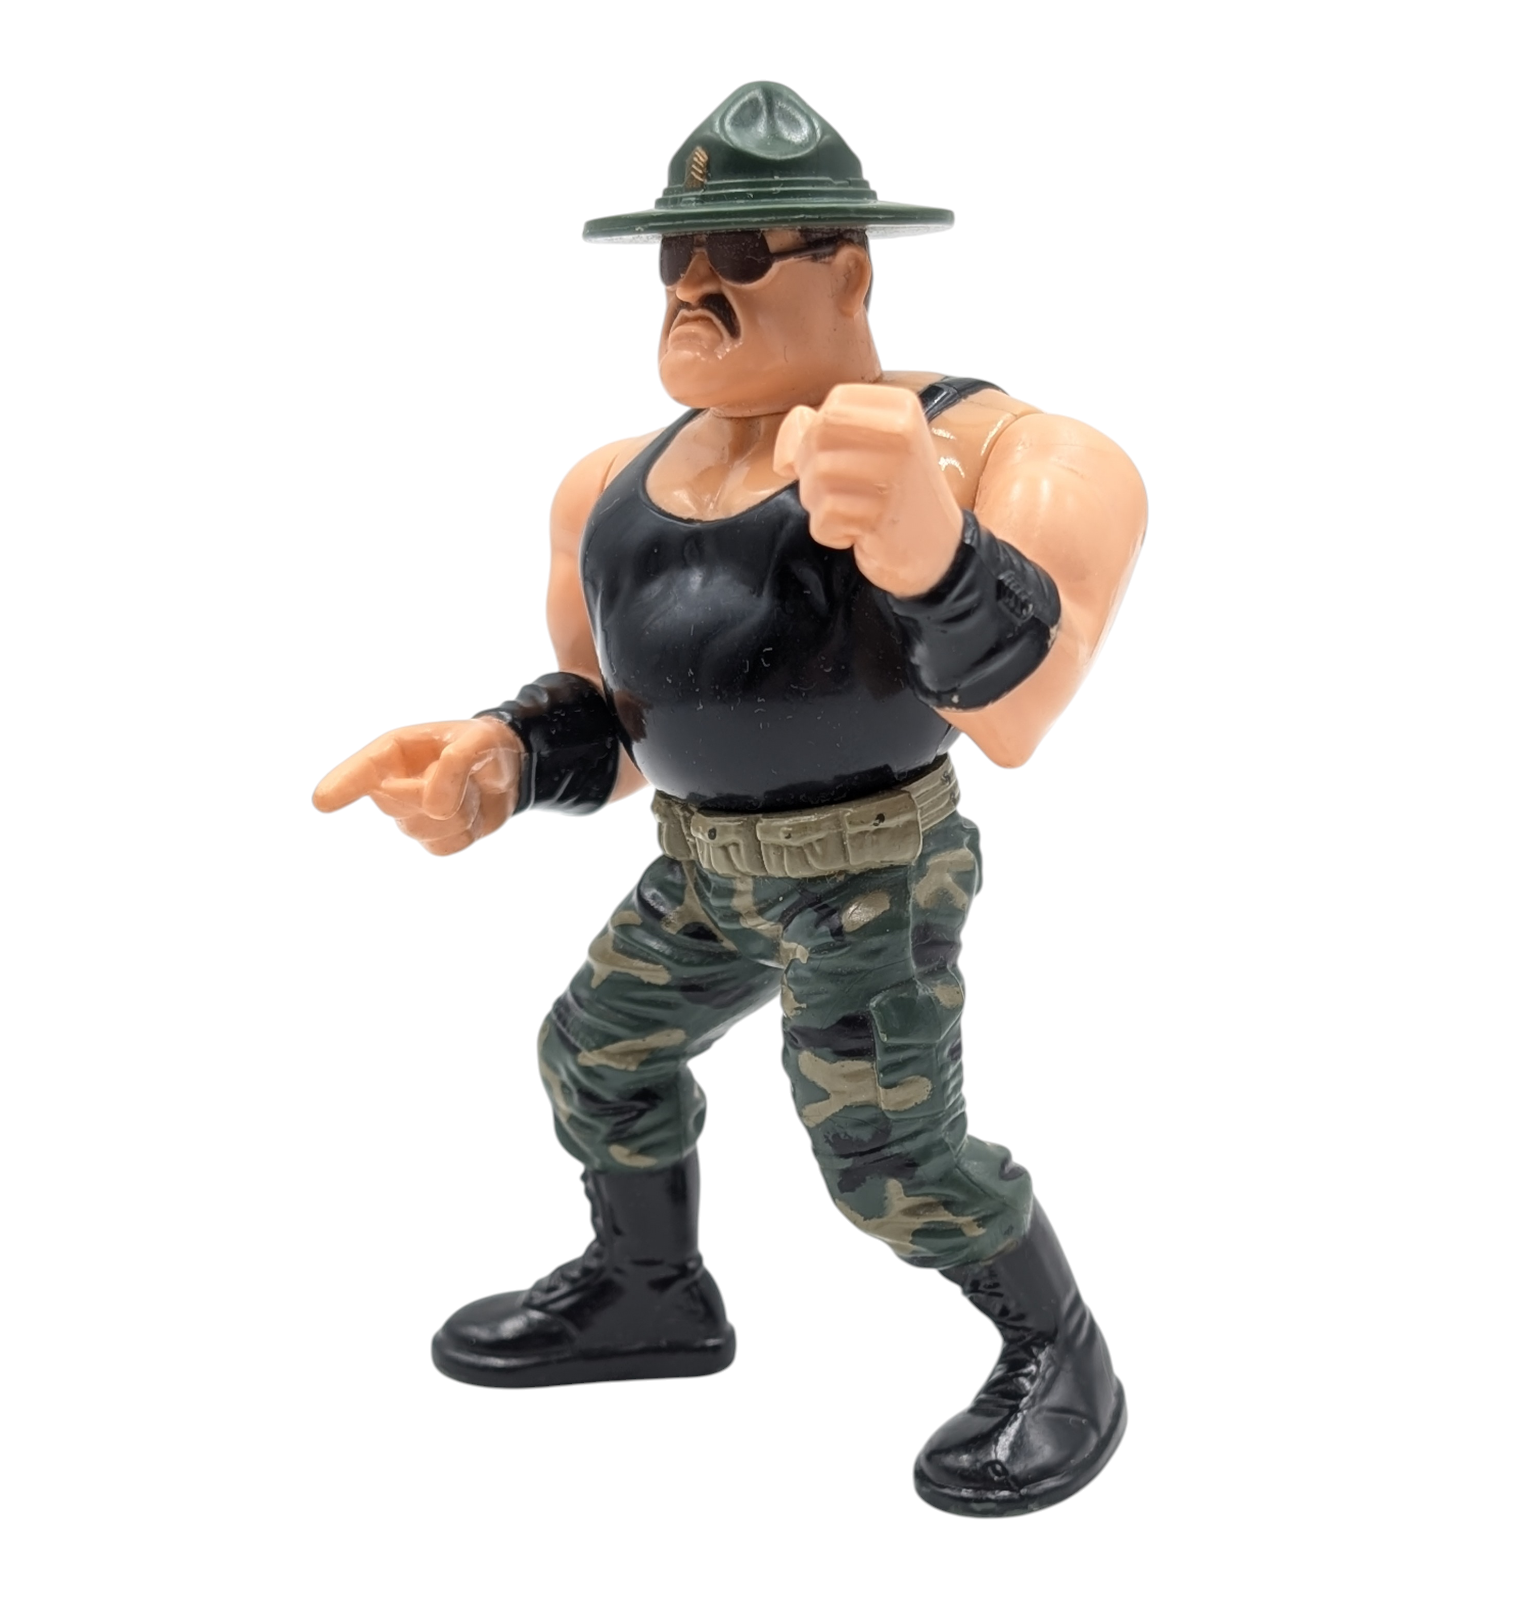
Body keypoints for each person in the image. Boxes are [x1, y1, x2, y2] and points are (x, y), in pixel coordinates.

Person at [313, 81, 1147, 1517]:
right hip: (704, 866)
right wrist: (499, 760)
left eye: (743, 255)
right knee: (597, 1054)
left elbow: (1017, 716)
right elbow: (623, 728)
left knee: (889, 1156)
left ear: (850, 272)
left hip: (872, 869)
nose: (695, 288)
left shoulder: (1011, 453)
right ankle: (650, 1287)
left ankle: (1061, 1354)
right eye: (678, 258)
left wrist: (932, 555)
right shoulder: (608, 488)